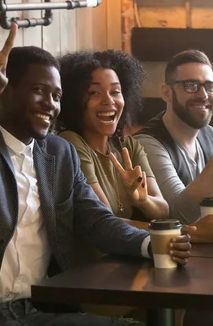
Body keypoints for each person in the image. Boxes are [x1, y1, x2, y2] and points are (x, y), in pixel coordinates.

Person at [0, 18, 191, 326]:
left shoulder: (58, 152)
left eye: (56, 96)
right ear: (5, 91)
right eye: (39, 91)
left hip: (40, 310)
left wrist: (150, 244)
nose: (50, 104)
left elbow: (95, 219)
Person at [134, 49, 213, 243]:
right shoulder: (147, 143)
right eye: (191, 86)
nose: (203, 94)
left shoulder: (210, 136)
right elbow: (178, 215)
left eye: (210, 86)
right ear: (166, 93)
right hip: (158, 262)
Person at [57, 50, 169, 231]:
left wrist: (143, 200)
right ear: (73, 100)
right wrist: (173, 231)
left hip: (129, 254)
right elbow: (106, 222)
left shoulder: (129, 146)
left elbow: (162, 209)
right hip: (94, 258)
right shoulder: (71, 143)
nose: (108, 101)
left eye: (115, 91)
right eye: (94, 93)